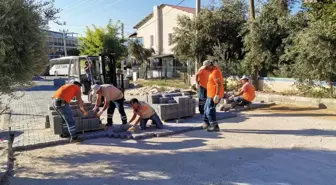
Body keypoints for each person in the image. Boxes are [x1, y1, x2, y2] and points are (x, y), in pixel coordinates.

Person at [202, 61, 224, 132]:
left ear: (210, 65)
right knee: (205, 108)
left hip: (214, 95)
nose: (205, 69)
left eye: (206, 68)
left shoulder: (215, 72)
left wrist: (217, 95)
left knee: (210, 110)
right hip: (210, 94)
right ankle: (206, 123)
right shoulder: (212, 71)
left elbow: (218, 84)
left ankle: (215, 126)